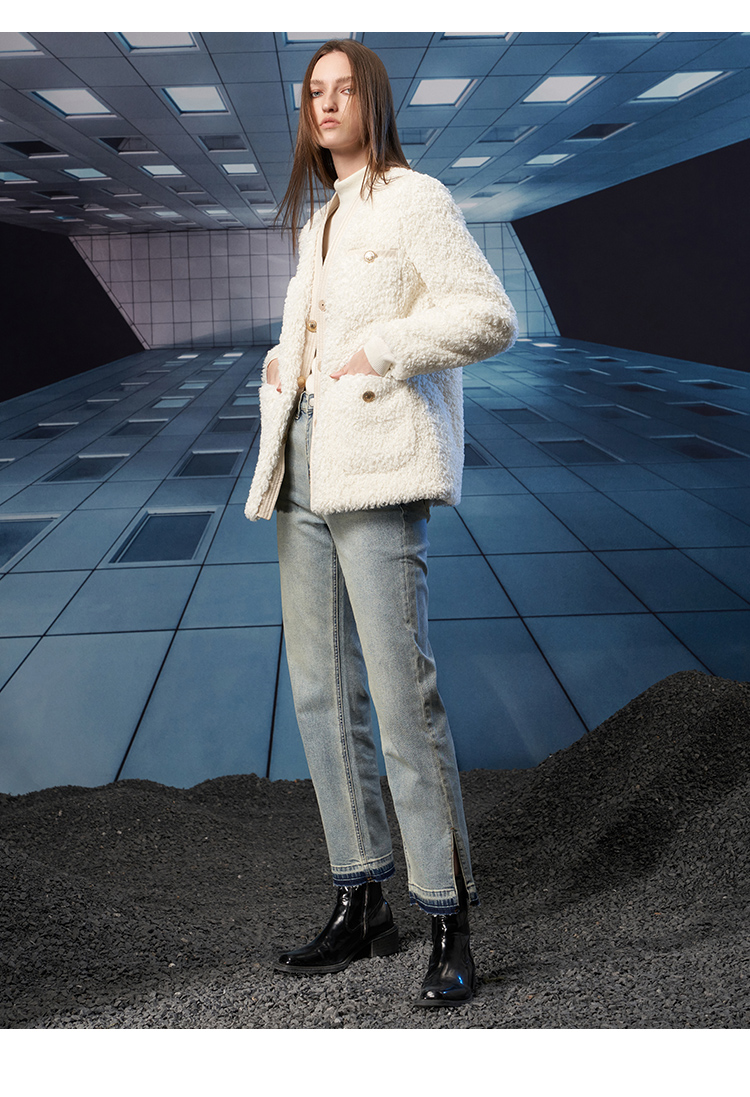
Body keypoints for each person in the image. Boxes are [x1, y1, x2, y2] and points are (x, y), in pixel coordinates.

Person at [245, 38, 517, 1007]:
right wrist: (283, 366)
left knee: (403, 698)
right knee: (321, 694)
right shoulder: (320, 221)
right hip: (303, 459)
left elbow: (488, 315)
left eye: (342, 88)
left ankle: (448, 916)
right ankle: (361, 900)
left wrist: (383, 348)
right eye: (312, 92)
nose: (325, 104)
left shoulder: (415, 199)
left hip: (377, 461)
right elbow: (309, 330)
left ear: (374, 100)